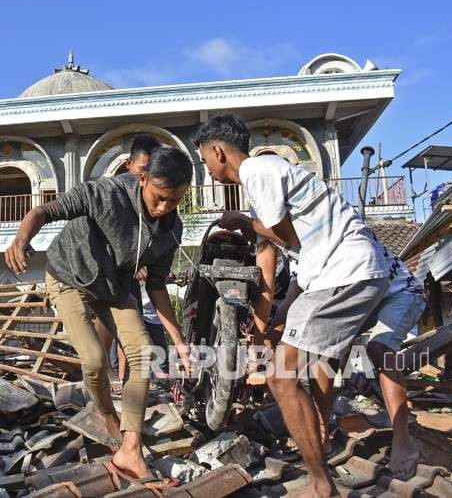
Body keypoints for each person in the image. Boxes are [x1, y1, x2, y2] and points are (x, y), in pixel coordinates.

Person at [193, 114, 390, 498]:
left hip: (345, 271)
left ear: (218, 151)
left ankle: (320, 482)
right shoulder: (274, 173)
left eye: (204, 160)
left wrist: (244, 223)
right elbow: (301, 250)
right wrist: (277, 316)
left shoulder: (257, 170)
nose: (208, 168)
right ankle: (319, 452)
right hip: (342, 272)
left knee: (281, 376)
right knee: (300, 368)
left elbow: (286, 236)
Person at [4, 146, 193, 482]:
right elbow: (44, 211)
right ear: (142, 176)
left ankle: (130, 450)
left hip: (113, 287)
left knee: (141, 353)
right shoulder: (105, 194)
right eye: (159, 197)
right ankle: (106, 415)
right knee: (93, 359)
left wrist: (179, 341)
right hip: (69, 276)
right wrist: (21, 239)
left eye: (174, 201)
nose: (163, 207)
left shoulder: (170, 228)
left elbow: (158, 286)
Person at [274, 239, 424, 479]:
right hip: (364, 299)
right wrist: (267, 330)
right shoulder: (296, 256)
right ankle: (322, 434)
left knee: (379, 348)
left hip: (399, 292)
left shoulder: (334, 235)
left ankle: (403, 441)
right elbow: (291, 299)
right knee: (324, 351)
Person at [93, 134, 170, 381]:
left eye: (151, 171)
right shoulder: (114, 193)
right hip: (104, 267)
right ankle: (105, 373)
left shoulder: (155, 201)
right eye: (141, 170)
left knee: (131, 327)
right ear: (129, 165)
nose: (145, 177)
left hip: (132, 278)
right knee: (108, 311)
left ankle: (129, 380)